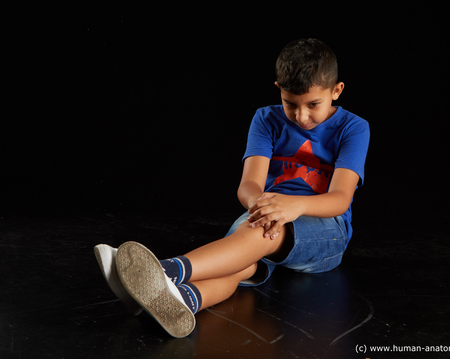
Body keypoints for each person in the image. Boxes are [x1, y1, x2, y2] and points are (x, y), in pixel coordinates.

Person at [94, 38, 370, 338]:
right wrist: (260, 205)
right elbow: (249, 185)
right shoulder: (266, 118)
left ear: (336, 91)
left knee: (256, 235)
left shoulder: (353, 127)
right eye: (291, 104)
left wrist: (295, 206)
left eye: (313, 105)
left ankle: (165, 271)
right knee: (239, 264)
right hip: (267, 213)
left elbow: (340, 199)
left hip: (325, 227)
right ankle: (184, 299)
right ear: (278, 88)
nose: (301, 116)